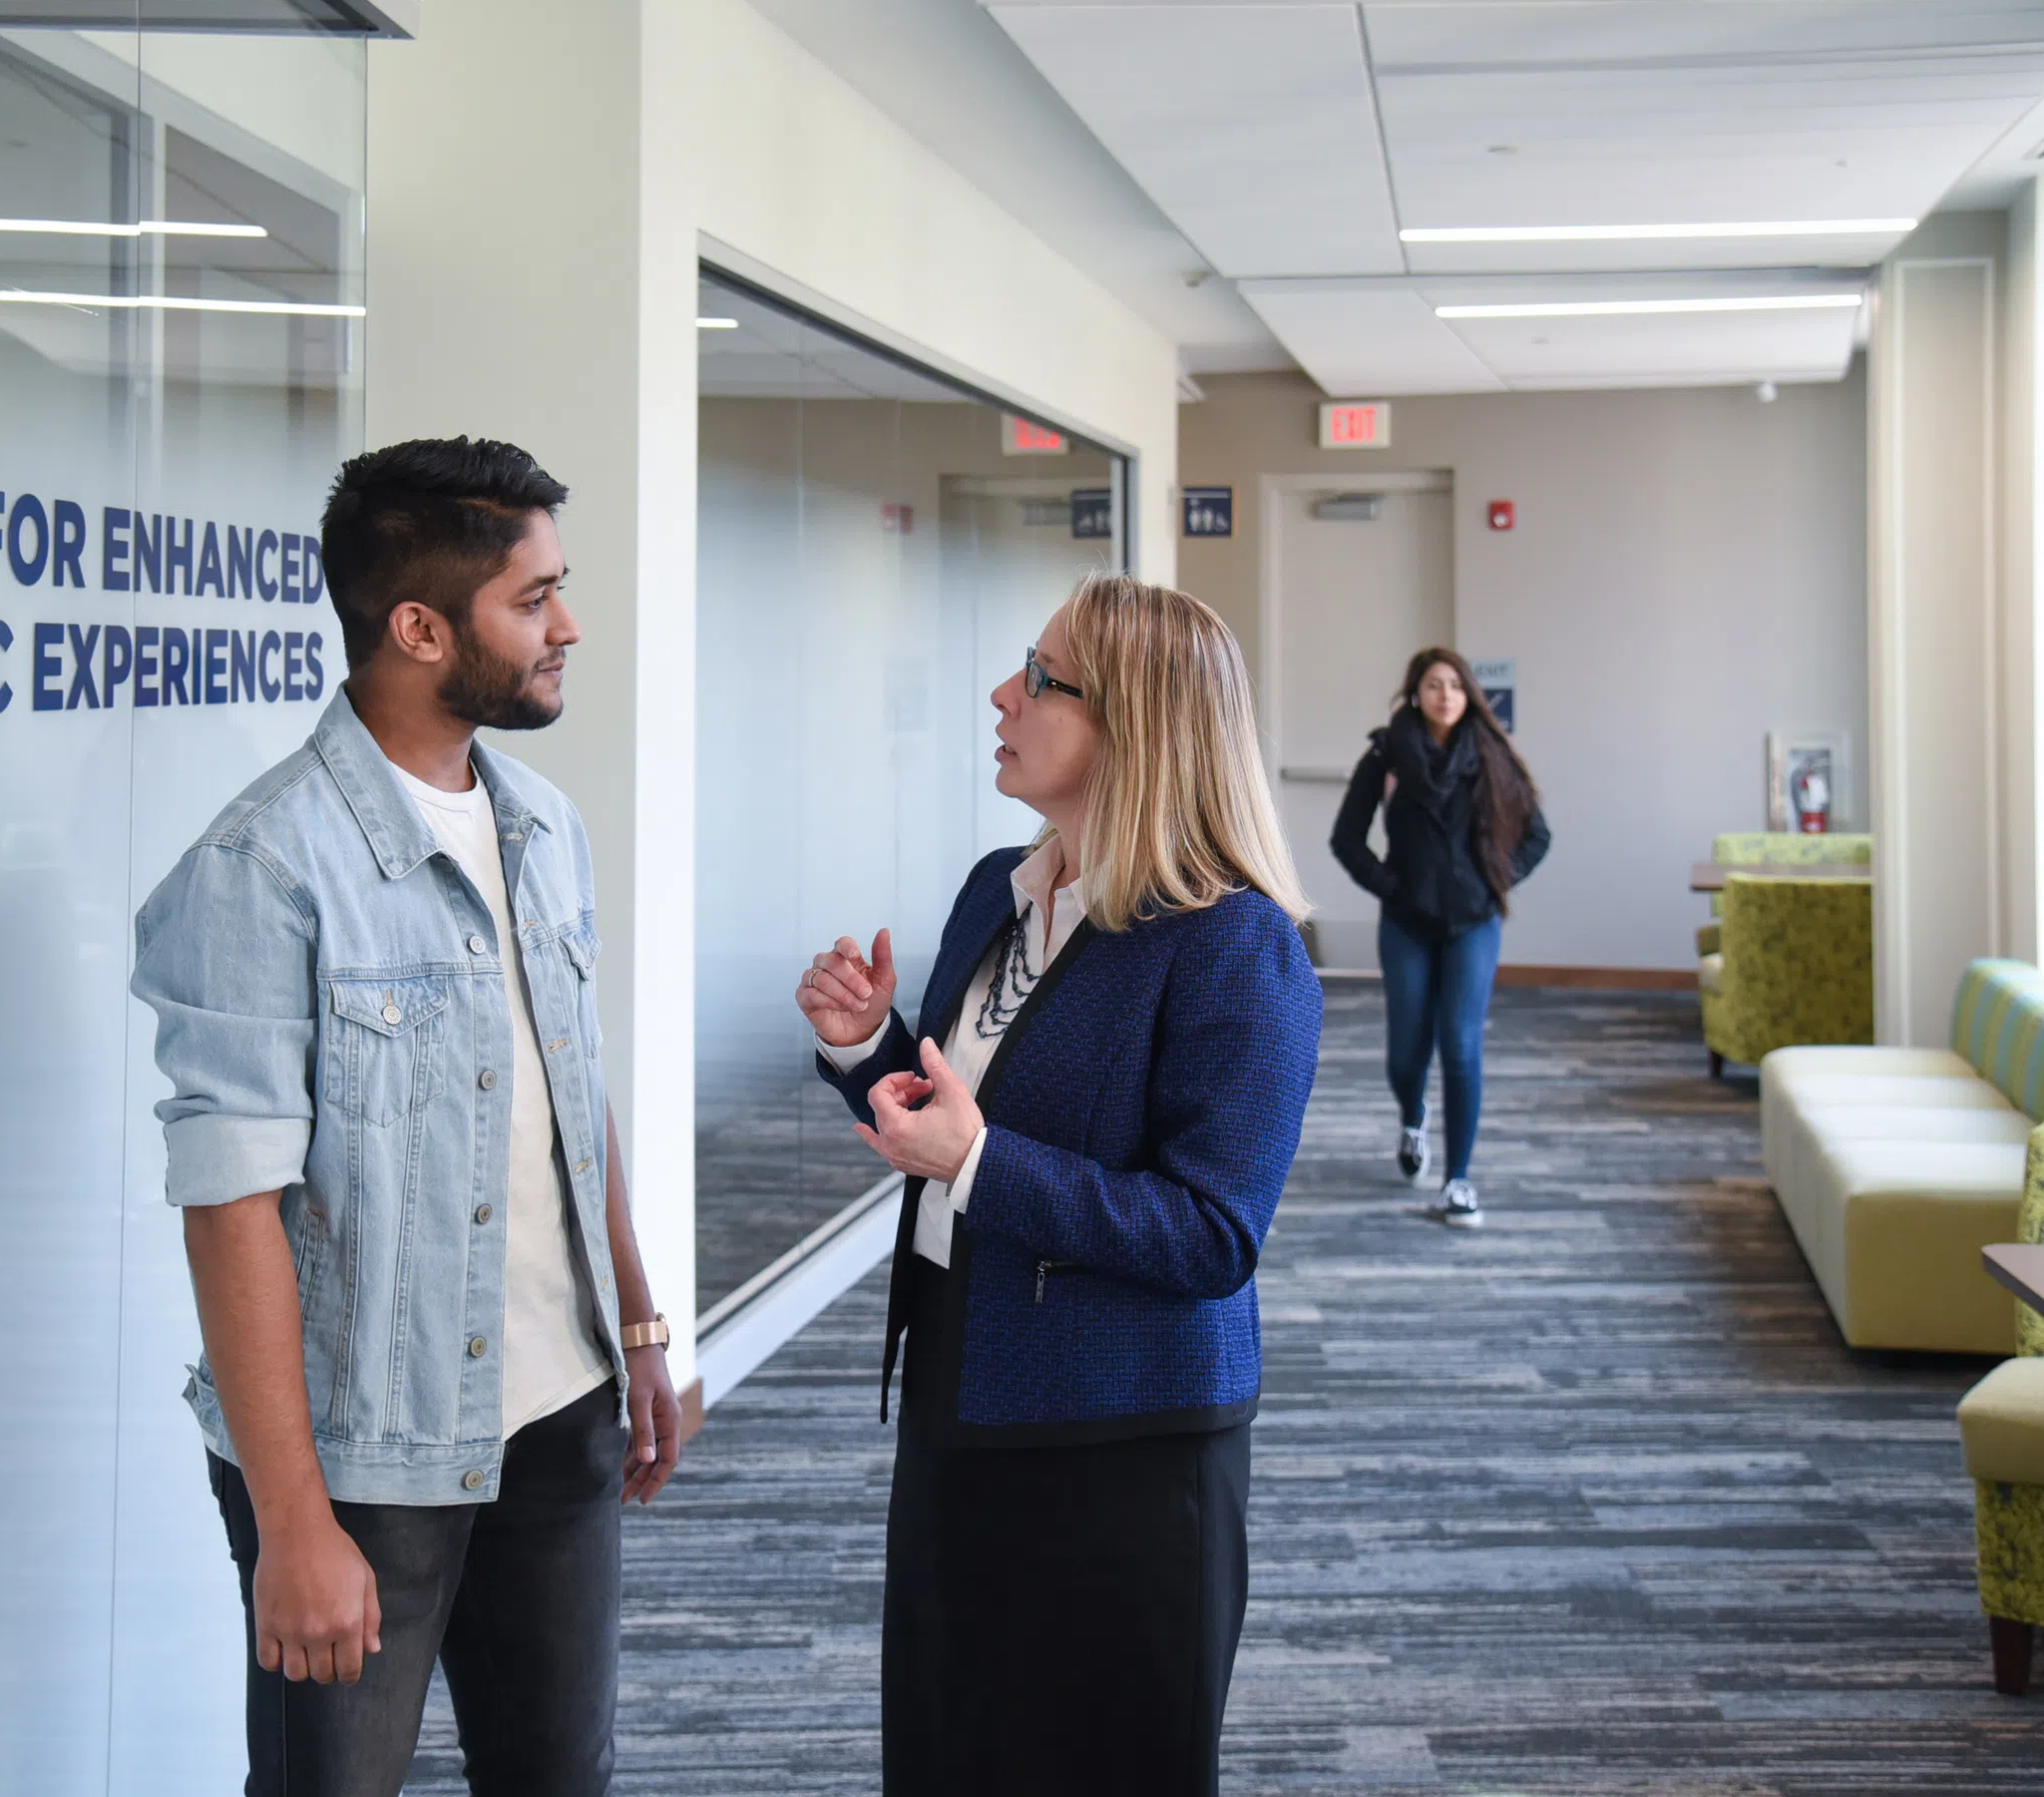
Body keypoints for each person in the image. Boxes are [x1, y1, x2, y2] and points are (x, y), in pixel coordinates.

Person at [133, 437, 681, 1797]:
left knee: (559, 1776)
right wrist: (291, 1521)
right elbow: (231, 1207)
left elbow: (575, 1086)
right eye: (533, 599)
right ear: (420, 626)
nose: (569, 626)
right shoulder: (262, 868)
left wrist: (641, 1325)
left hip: (559, 1408)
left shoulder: (544, 823)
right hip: (363, 1455)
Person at [797, 575, 1322, 1797]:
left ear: (1135, 726)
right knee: (946, 1750)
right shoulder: (1002, 885)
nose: (1001, 693)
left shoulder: (1238, 944)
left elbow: (1212, 1233)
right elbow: (952, 1116)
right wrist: (863, 1047)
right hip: (960, 1396)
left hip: (1121, 1447)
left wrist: (979, 1163)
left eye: (1039, 678)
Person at [1329, 646, 1551, 1229]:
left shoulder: (1491, 752)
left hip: (1473, 923)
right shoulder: (1386, 753)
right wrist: (1390, 888)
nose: (1445, 694)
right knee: (1407, 1050)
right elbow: (1346, 838)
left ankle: (1459, 1181)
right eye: (1433, 684)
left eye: (1455, 684)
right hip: (1407, 921)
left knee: (1460, 1042)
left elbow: (1537, 834)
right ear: (1416, 693)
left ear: (1468, 693)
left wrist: (1495, 882)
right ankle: (1412, 1115)